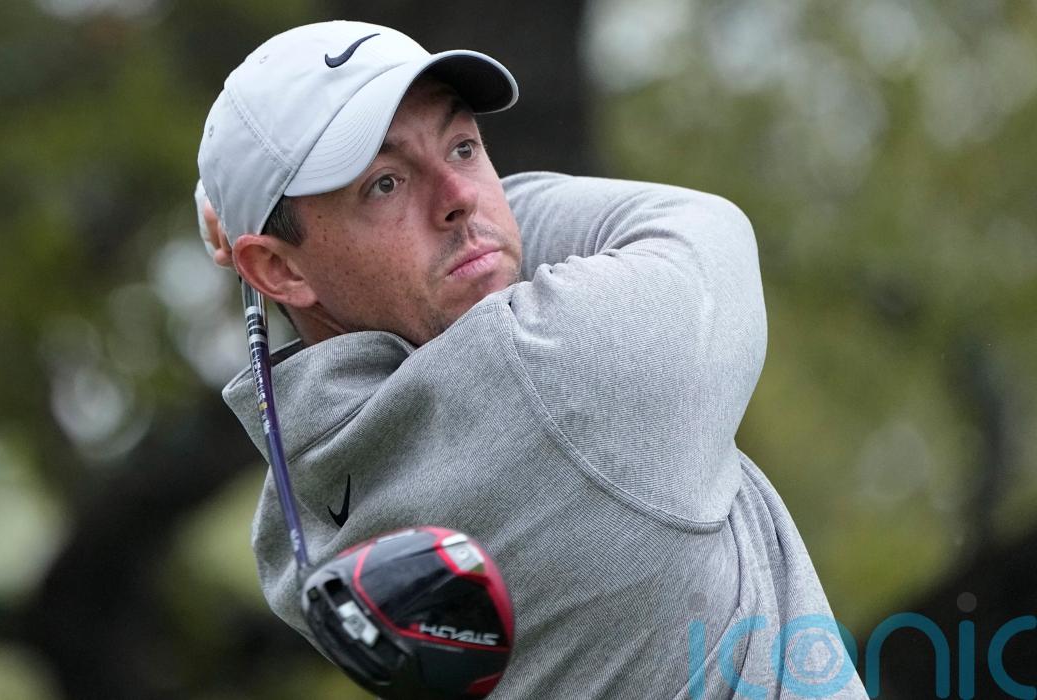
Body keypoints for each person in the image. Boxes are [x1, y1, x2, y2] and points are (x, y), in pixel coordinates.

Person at [195, 20, 869, 699]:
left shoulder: (296, 535)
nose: (460, 197)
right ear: (280, 270)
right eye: (385, 184)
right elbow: (704, 227)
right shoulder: (563, 371)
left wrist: (268, 237)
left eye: (463, 147)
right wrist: (483, 223)